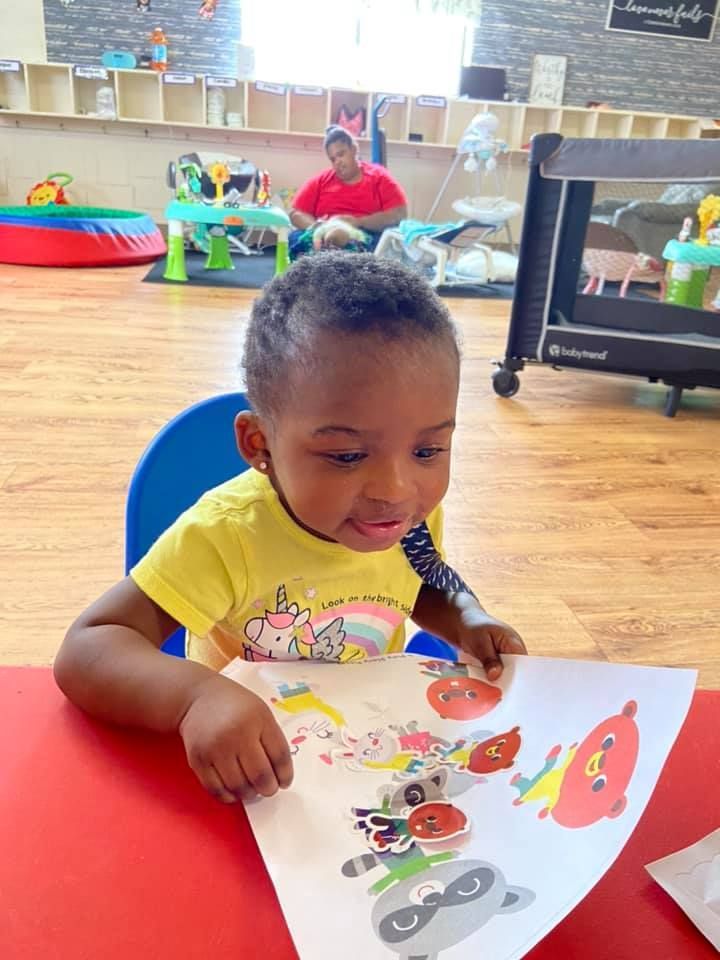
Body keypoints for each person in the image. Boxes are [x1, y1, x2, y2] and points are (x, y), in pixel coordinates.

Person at [54, 254, 526, 808]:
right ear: (260, 447)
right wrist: (195, 699)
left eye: (427, 450)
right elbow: (88, 649)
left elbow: (421, 579)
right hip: (250, 770)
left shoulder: (405, 514)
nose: (396, 490)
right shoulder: (227, 536)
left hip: (368, 750)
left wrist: (466, 616)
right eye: (348, 455)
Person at [288, 125, 408, 258]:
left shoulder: (379, 177)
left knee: (375, 245)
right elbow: (295, 213)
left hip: (364, 236)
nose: (337, 162)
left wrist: (359, 222)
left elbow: (399, 214)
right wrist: (316, 227)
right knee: (295, 238)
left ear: (354, 149)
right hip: (322, 234)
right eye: (333, 159)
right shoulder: (321, 181)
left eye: (341, 154)